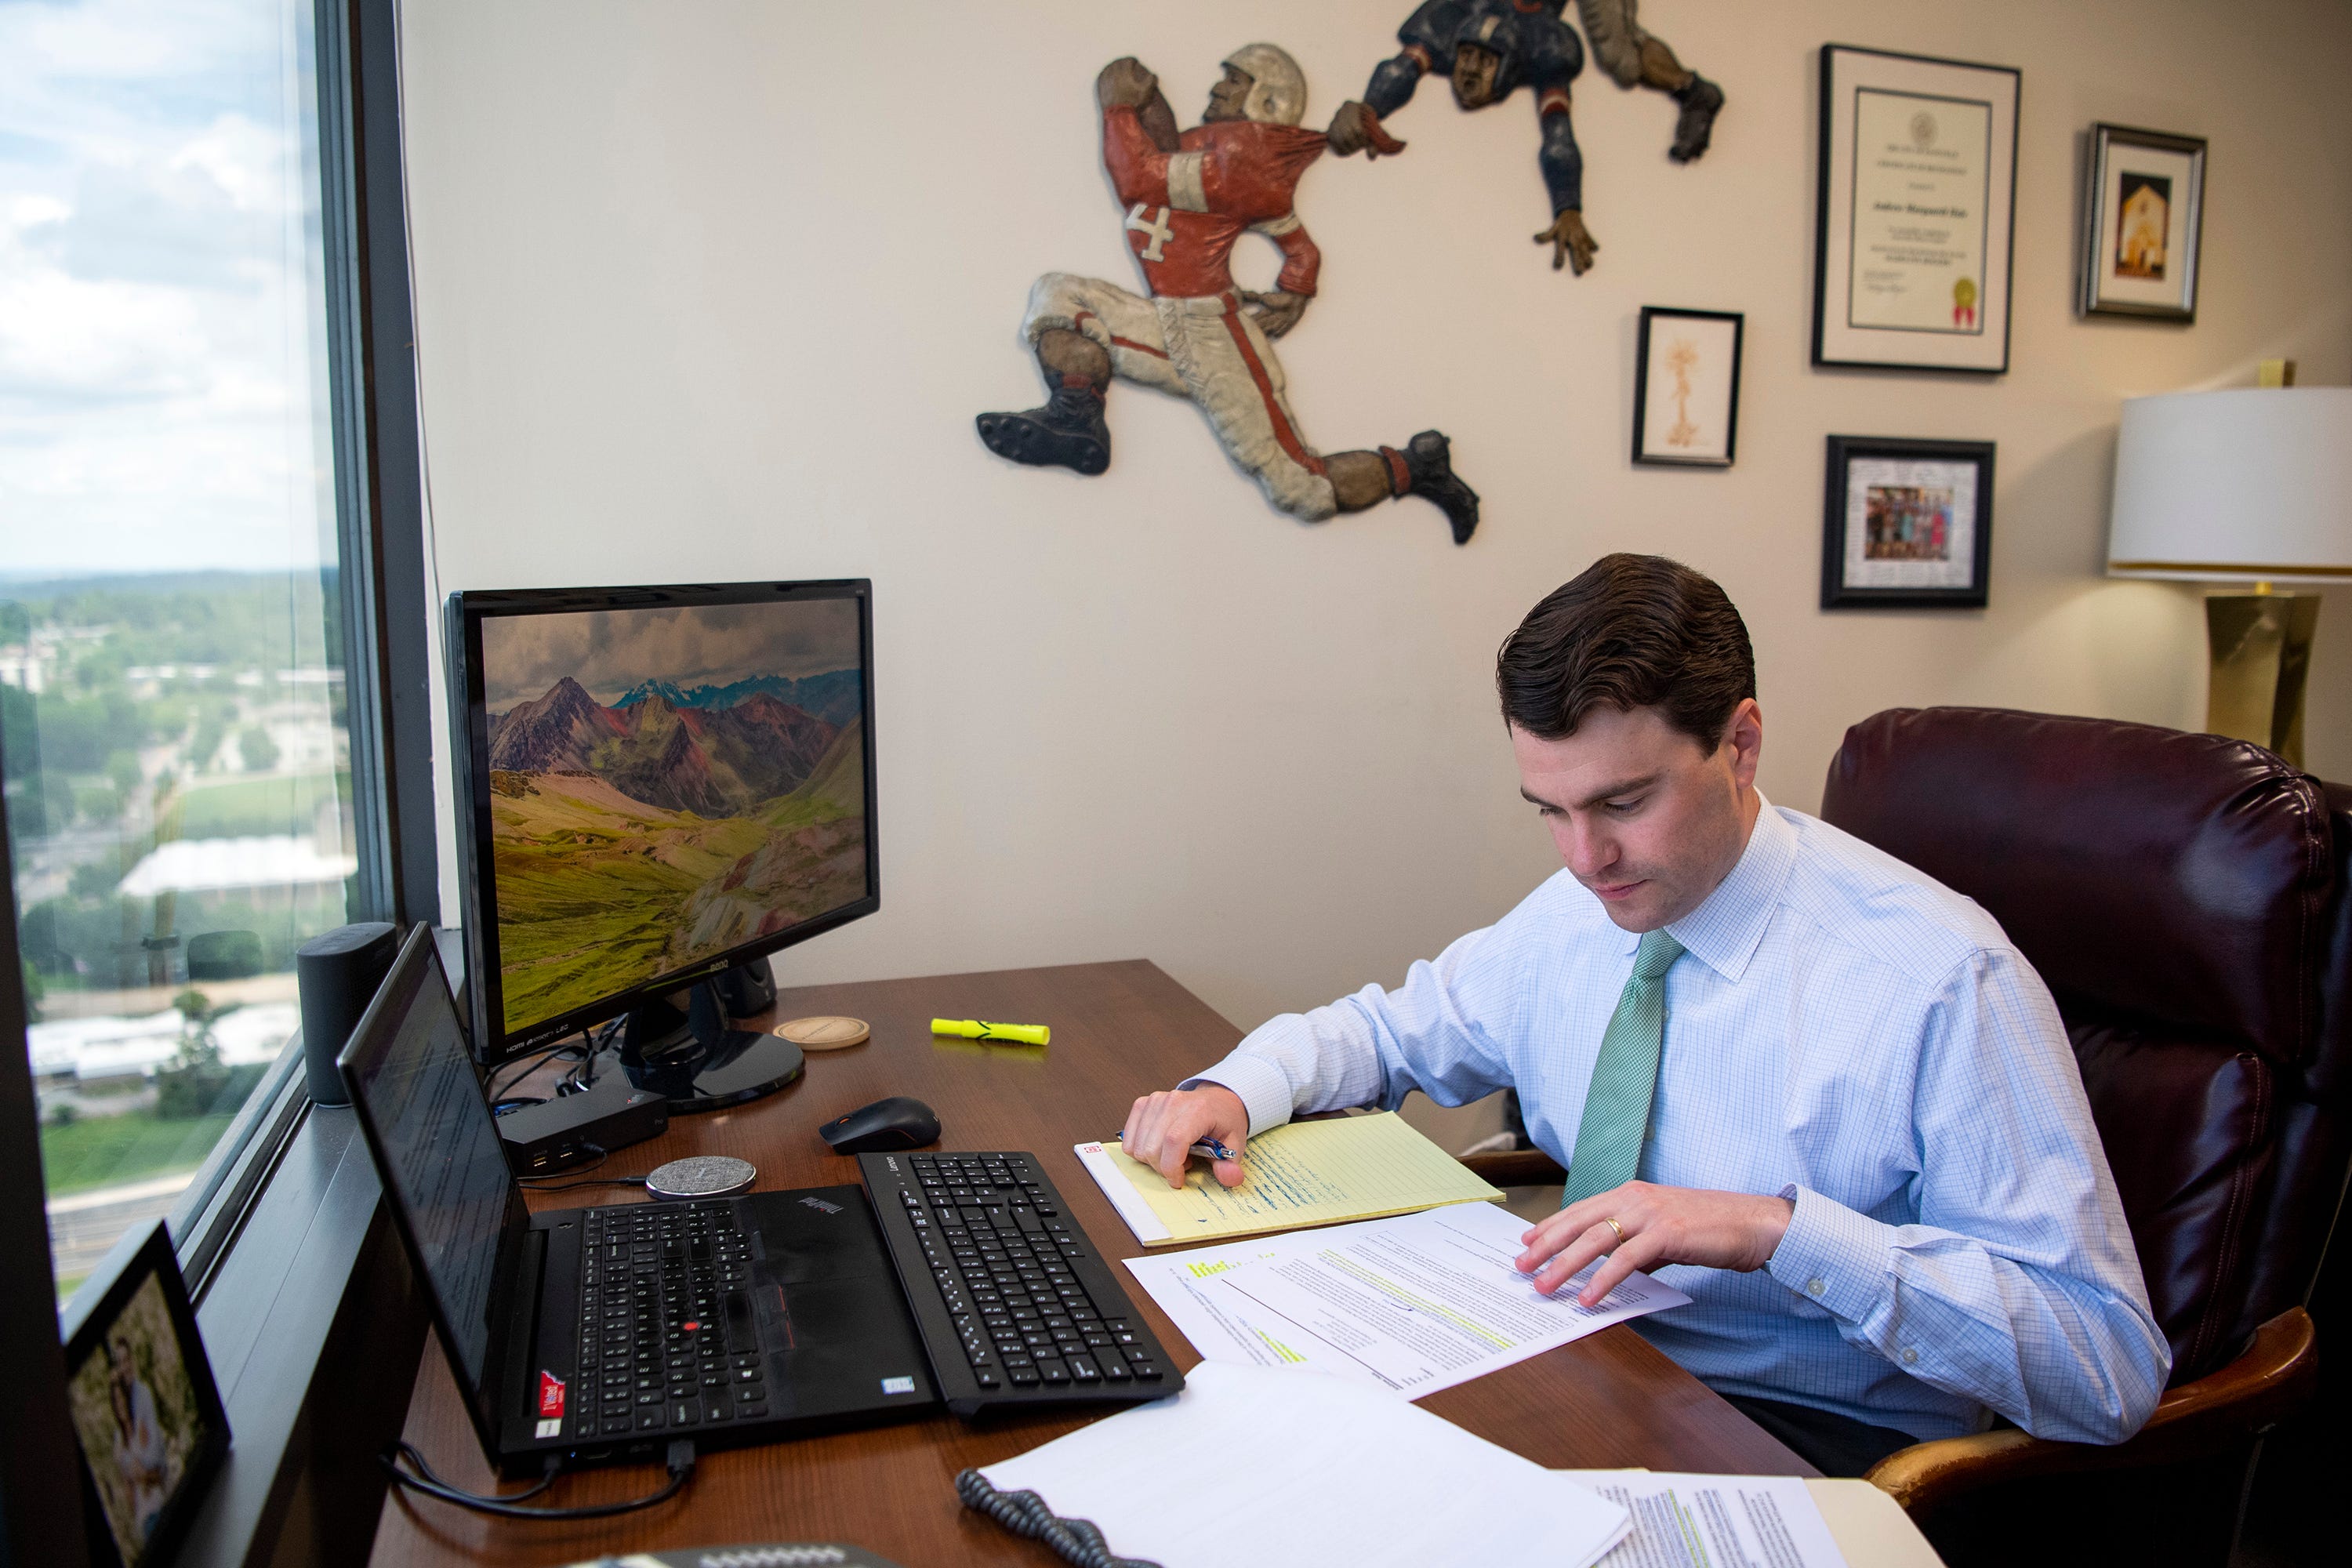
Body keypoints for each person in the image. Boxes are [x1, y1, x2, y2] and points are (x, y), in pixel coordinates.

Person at [1120, 553, 2168, 1475]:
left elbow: (2107, 1368)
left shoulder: (1942, 981)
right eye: (1552, 812)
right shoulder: (1582, 915)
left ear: (1742, 744)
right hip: (1568, 1362)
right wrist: (1235, 1089)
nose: (1585, 860)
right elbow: (1393, 1031)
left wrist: (1776, 1232)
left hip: (1802, 1440)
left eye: (1623, 804)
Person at [977, 45, 1483, 544]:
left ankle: (1419, 467)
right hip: (1170, 316)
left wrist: (1118, 106)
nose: (1221, 86)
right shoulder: (1224, 149)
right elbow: (1292, 240)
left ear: (1267, 99)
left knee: (1300, 488)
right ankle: (1076, 419)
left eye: (1236, 80)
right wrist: (1148, 96)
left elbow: (1140, 178)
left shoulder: (1244, 160)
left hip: (1213, 333)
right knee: (1058, 296)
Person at [1327, 1, 1725, 275]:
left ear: (1509, 66)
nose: (1468, 75)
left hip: (1534, 22)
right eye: (1467, 58)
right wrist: (1366, 109)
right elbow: (1405, 65)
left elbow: (1558, 134)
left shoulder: (1544, 43)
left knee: (1621, 56)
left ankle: (1693, 90)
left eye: (1484, 63)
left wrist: (1568, 208)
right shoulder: (1449, 20)